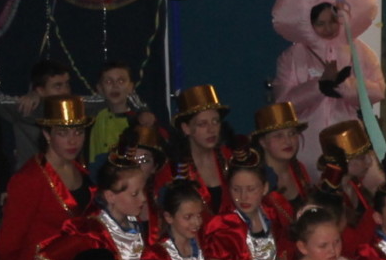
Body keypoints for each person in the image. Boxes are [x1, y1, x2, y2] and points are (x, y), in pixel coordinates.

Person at [0, 95, 94, 260]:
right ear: (47, 134)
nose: (73, 141)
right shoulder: (29, 179)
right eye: (63, 133)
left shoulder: (81, 171)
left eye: (78, 132)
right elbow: (8, 244)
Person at [274, 5, 386, 167]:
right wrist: (318, 87)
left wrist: (344, 86)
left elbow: (379, 90)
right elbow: (283, 104)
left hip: (349, 138)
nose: (328, 29)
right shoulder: (292, 56)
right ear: (309, 24)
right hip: (308, 141)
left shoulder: (359, 51)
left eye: (332, 22)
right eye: (320, 24)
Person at [36, 155, 150, 260]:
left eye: (143, 190)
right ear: (110, 196)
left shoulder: (134, 221)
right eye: (135, 194)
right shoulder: (92, 233)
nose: (143, 198)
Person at [200, 153, 289, 260]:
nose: (243, 197)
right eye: (236, 189)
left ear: (265, 188)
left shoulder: (271, 215)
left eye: (251, 189)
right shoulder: (226, 227)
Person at [162, 85, 238, 213]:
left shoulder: (231, 159)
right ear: (186, 128)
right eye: (202, 124)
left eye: (215, 121)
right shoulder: (174, 169)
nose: (211, 130)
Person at [0, 58, 73, 181]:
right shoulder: (27, 109)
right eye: (58, 86)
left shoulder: (75, 108)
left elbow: (102, 101)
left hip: (67, 179)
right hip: (31, 180)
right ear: (41, 90)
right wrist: (33, 95)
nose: (65, 91)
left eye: (67, 84)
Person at [252, 102, 312, 214]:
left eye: (292, 133)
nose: (288, 141)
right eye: (278, 136)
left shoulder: (299, 169)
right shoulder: (256, 179)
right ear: (263, 142)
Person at [88, 62, 149, 165]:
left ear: (131, 87)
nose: (115, 86)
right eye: (108, 81)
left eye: (121, 81)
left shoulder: (139, 122)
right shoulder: (94, 118)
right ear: (100, 88)